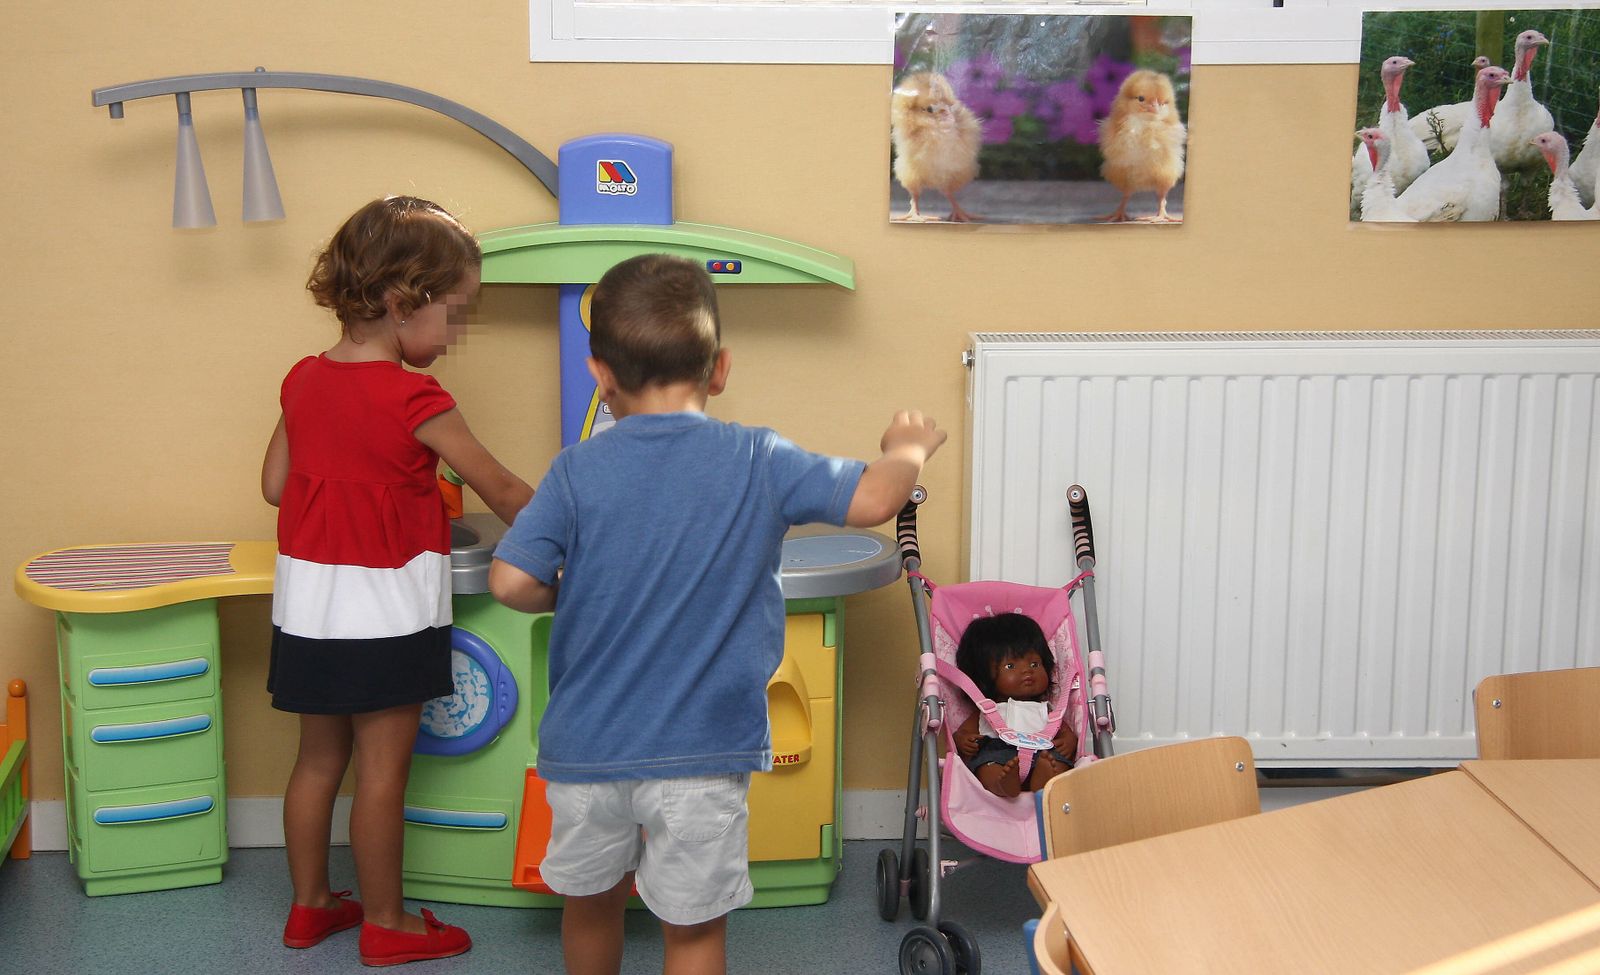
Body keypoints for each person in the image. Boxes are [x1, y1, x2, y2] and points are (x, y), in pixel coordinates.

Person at [487, 253, 946, 975]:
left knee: (591, 904)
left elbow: (510, 580)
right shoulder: (758, 456)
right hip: (703, 753)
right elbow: (874, 501)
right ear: (720, 367)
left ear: (600, 373)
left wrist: (566, 593)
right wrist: (907, 447)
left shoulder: (575, 469)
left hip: (585, 749)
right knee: (693, 931)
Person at [261, 196, 534, 967]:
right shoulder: (418, 399)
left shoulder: (302, 380)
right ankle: (386, 921)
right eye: (453, 314)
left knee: (318, 761)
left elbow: (277, 484)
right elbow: (505, 491)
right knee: (384, 770)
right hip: (385, 612)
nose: (454, 335)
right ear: (398, 300)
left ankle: (310, 907)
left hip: (309, 608)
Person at [952, 612, 1077, 798]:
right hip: (999, 752)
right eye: (1010, 666)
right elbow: (961, 733)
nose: (1027, 670)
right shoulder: (988, 709)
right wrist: (963, 740)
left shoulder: (1046, 708)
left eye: (1035, 664)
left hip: (1044, 751)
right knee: (987, 766)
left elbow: (1065, 732)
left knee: (1059, 762)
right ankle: (1002, 784)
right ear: (984, 676)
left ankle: (1045, 781)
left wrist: (1069, 741)